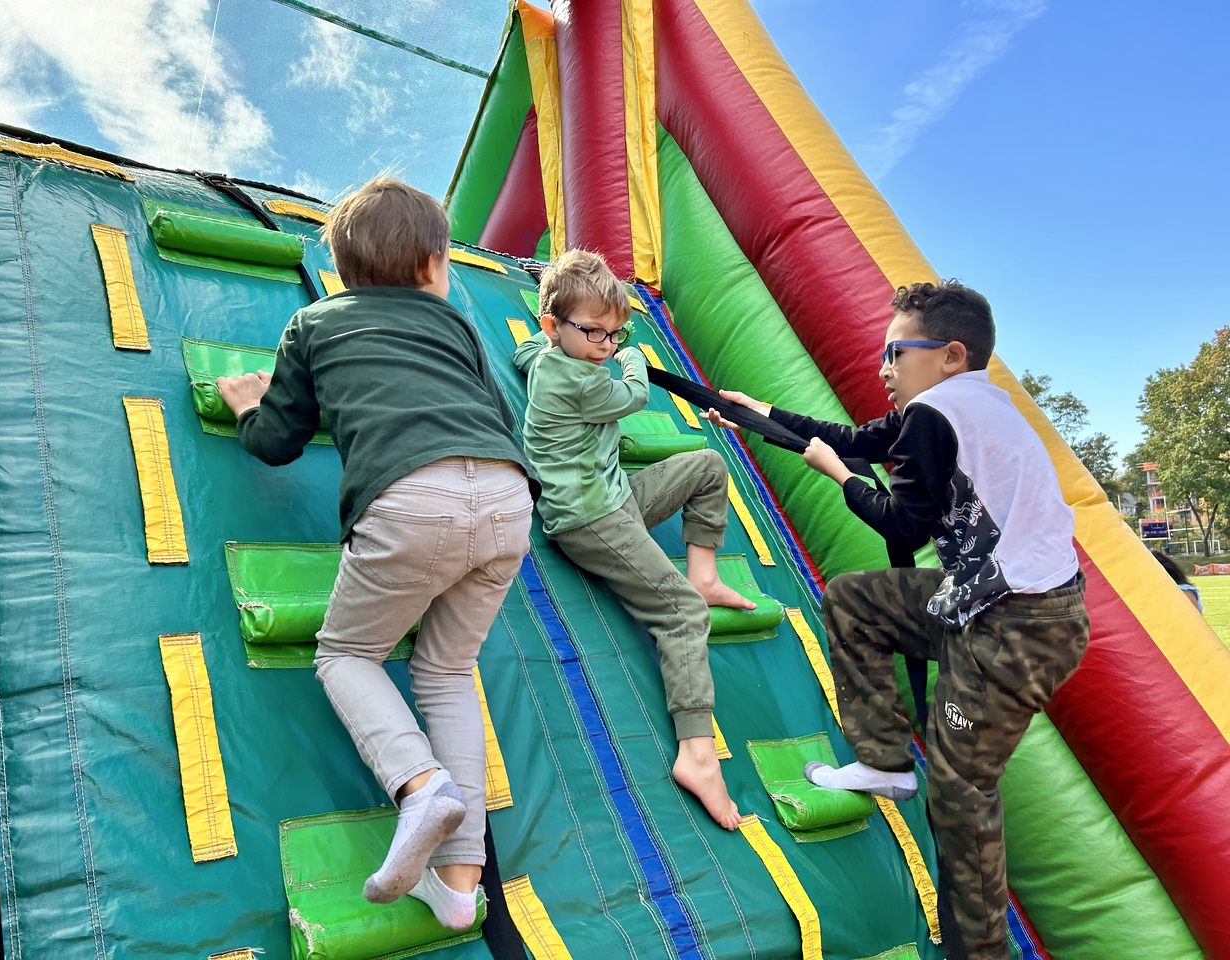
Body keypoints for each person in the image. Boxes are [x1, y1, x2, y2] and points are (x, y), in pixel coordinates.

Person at [706, 280, 1089, 959]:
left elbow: (901, 524)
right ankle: (883, 760)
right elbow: (858, 436)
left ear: (948, 355)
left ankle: (979, 953)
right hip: (989, 604)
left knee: (961, 792)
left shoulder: (940, 413)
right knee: (855, 601)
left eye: (895, 353)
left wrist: (836, 474)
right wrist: (759, 411)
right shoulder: (968, 407)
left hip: (1019, 629)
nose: (883, 369)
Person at [216, 177, 534, 932]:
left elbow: (278, 440)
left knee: (347, 654)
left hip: (409, 500)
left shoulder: (315, 324)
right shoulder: (454, 323)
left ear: (345, 269)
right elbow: (496, 413)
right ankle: (460, 888)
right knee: (450, 671)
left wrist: (247, 408)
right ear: (433, 263)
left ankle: (419, 784)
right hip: (506, 496)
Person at [513, 249, 754, 831]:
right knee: (680, 614)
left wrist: (544, 348)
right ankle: (697, 754)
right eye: (595, 332)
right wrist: (638, 358)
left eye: (618, 333)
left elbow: (529, 357)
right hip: (590, 520)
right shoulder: (583, 379)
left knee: (705, 467)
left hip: (616, 495)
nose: (608, 344)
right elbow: (635, 396)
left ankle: (706, 571)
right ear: (554, 325)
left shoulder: (551, 354)